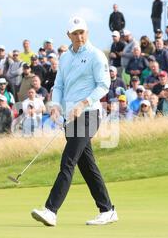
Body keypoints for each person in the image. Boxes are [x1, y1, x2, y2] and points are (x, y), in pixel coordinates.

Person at [31, 16, 117, 227]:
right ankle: (107, 209)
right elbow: (59, 85)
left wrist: (83, 103)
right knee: (87, 165)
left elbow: (104, 85)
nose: (79, 37)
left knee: (68, 160)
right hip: (70, 117)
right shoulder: (65, 58)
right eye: (75, 33)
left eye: (82, 32)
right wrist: (55, 106)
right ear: (68, 35)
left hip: (89, 114)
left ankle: (51, 210)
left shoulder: (96, 55)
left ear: (87, 32)